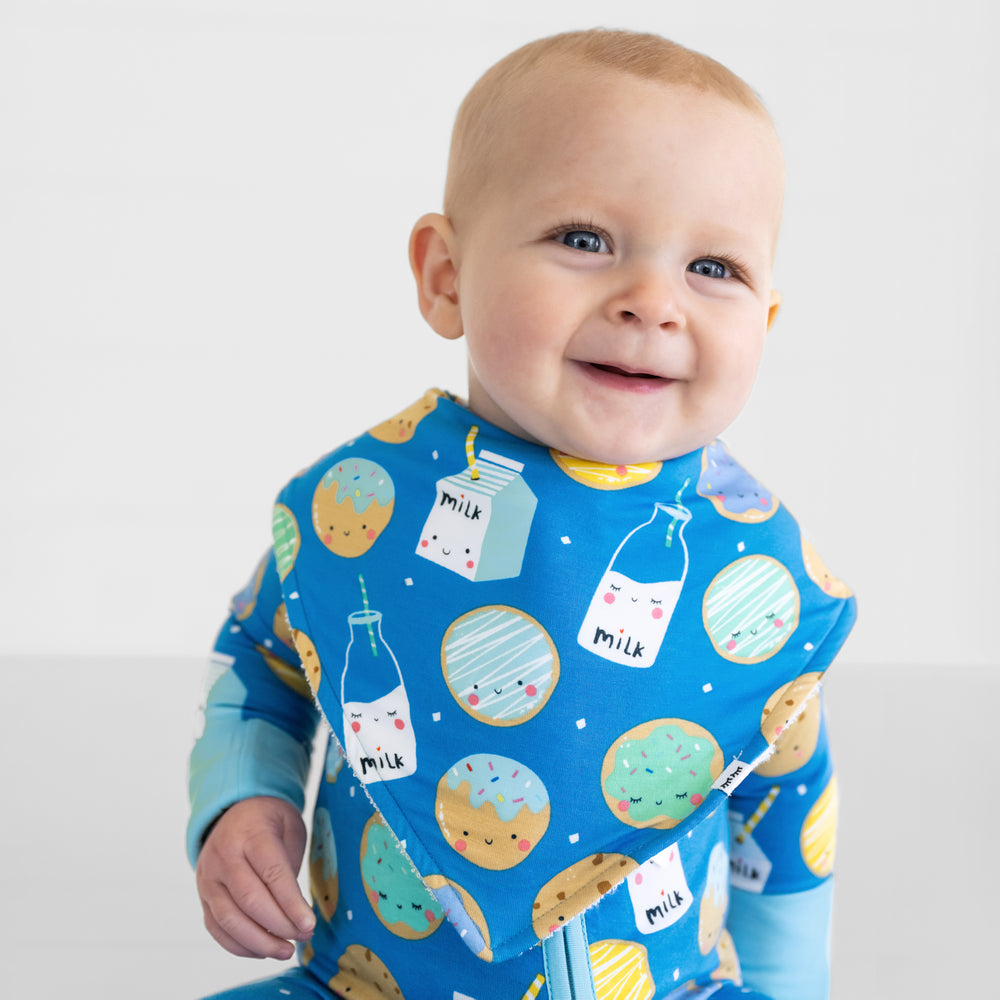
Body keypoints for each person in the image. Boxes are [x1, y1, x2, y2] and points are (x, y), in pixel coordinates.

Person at [189, 28, 856, 1000]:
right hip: (365, 984)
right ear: (444, 275)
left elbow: (785, 803)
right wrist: (241, 799)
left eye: (713, 267)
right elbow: (262, 658)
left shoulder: (749, 570)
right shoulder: (359, 510)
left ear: (763, 321)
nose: (651, 303)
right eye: (584, 241)